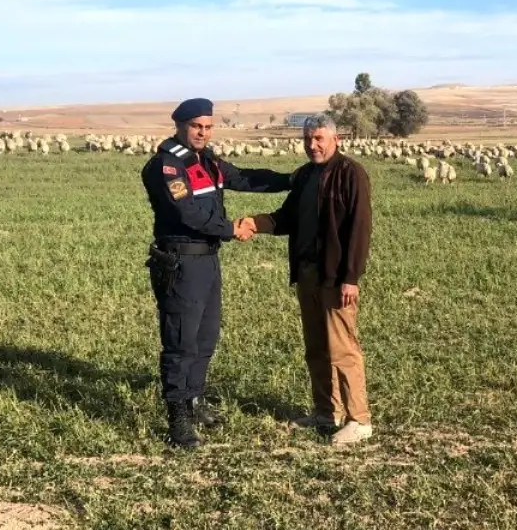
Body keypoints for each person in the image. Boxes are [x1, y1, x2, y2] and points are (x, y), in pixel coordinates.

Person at [141, 98, 292, 449]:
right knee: (180, 342)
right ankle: (178, 418)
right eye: (196, 126)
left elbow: (244, 178)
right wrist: (230, 229)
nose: (203, 133)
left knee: (205, 338)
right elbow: (187, 214)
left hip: (207, 260)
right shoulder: (166, 166)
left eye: (208, 127)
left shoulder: (206, 162)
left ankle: (195, 400)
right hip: (181, 262)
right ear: (180, 125)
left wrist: (291, 179)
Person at [250, 114, 374, 445]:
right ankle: (326, 411)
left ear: (336, 140)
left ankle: (359, 419)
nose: (312, 144)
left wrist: (351, 277)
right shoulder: (305, 175)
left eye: (319, 138)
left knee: (343, 349)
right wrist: (252, 224)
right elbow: (285, 218)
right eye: (308, 138)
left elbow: (359, 228)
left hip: (335, 278)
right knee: (316, 347)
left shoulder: (351, 174)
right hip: (306, 274)